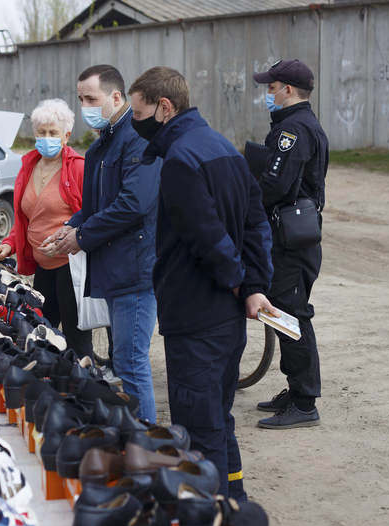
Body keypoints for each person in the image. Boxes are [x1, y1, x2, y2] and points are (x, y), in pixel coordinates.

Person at [128, 66, 275, 499]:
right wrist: (253, 285)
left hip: (196, 315)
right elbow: (255, 224)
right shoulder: (221, 146)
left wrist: (238, 282)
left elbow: (206, 236)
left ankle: (214, 513)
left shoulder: (180, 160)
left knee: (200, 426)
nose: (135, 122)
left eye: (139, 112)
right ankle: (235, 501)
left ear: (164, 107)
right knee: (219, 418)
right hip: (225, 317)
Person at [42, 65, 162, 424]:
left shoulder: (137, 139)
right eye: (80, 99)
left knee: (131, 363)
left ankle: (147, 438)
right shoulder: (102, 144)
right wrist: (71, 227)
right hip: (114, 266)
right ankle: (134, 437)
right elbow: (95, 205)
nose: (85, 106)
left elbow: (133, 203)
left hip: (136, 269)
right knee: (123, 360)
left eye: (91, 98)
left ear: (116, 97)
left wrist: (81, 237)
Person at [252, 59, 328, 429]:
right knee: (285, 311)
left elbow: (277, 186)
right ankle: (296, 388)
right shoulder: (301, 124)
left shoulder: (293, 130)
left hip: (291, 242)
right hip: (294, 238)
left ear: (287, 89)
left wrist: (246, 199)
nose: (268, 94)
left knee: (290, 314)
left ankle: (304, 401)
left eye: (271, 87)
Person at [0, 99, 92, 356]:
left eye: (53, 133)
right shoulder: (29, 166)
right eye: (41, 132)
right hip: (41, 264)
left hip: (70, 264)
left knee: (75, 337)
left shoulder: (78, 168)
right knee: (41, 329)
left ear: (66, 136)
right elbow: (26, 218)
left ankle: (83, 386)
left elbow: (92, 213)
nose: (46, 137)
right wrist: (9, 243)